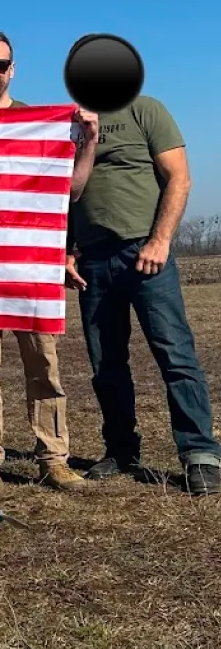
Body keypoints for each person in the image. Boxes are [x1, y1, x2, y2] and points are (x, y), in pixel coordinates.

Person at [0, 25, 97, 502]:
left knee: (45, 368)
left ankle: (53, 458)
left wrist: (89, 141)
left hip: (30, 268)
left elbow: (71, 192)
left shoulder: (40, 125)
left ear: (12, 70)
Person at [65, 91, 221, 496]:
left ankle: (200, 454)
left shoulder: (145, 109)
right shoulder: (69, 122)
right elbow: (60, 192)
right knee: (106, 364)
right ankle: (120, 450)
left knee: (175, 354)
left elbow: (179, 177)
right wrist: (66, 250)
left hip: (145, 253)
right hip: (93, 260)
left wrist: (160, 240)